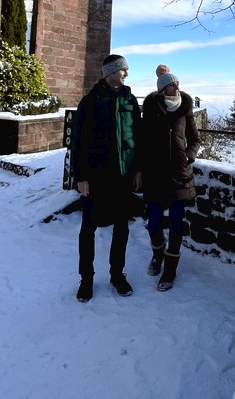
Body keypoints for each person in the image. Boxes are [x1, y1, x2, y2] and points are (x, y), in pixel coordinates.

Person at [69, 54, 142, 302]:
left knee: (121, 228)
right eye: (124, 70)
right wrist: (80, 177)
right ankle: (86, 279)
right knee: (87, 230)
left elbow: (138, 138)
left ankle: (117, 274)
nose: (126, 74)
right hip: (96, 176)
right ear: (111, 71)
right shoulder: (90, 101)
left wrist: (138, 170)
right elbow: (78, 141)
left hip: (123, 176)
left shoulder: (129, 99)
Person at [141, 71, 200, 291]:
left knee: (176, 223)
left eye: (177, 83)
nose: (176, 87)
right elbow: (142, 139)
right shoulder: (151, 107)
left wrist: (189, 156)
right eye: (172, 84)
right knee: (154, 221)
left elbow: (194, 138)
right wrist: (139, 169)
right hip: (155, 174)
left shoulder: (185, 108)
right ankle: (158, 254)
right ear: (162, 88)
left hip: (179, 175)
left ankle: (170, 268)